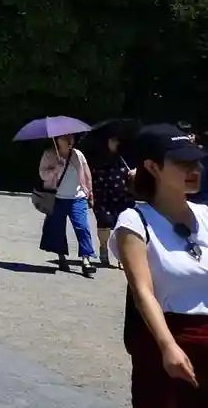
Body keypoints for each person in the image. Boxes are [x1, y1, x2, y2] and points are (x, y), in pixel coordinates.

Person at [111, 124, 208, 405]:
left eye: (196, 162)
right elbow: (143, 293)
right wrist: (168, 346)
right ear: (153, 167)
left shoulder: (205, 215)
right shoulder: (134, 221)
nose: (195, 170)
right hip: (170, 341)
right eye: (182, 163)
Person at [41, 133, 98, 277]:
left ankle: (86, 260)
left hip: (77, 197)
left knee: (83, 228)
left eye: (71, 137)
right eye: (65, 138)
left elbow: (87, 174)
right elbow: (43, 175)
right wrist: (56, 168)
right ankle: (61, 257)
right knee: (57, 229)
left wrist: (90, 192)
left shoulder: (78, 154)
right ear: (57, 140)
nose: (69, 140)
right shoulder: (49, 155)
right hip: (57, 198)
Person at [94, 133, 135, 269]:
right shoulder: (99, 156)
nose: (115, 143)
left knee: (122, 225)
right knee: (104, 223)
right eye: (112, 140)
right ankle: (103, 247)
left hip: (123, 195)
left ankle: (121, 255)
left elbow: (136, 172)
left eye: (117, 140)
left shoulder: (126, 156)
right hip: (102, 194)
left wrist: (134, 173)